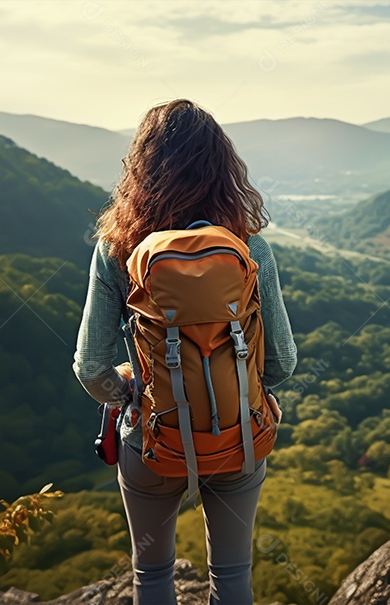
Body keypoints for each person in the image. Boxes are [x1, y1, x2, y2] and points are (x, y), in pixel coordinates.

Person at [73, 98, 298, 605]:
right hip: (239, 437)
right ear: (223, 170)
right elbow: (282, 362)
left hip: (151, 442)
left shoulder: (117, 250)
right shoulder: (249, 249)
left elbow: (91, 366)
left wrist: (131, 395)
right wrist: (243, 386)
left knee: (151, 575)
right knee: (233, 576)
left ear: (140, 170)